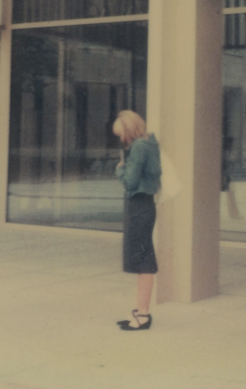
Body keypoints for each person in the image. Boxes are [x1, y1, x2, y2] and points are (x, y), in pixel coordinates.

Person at [112, 110, 161, 331]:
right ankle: (139, 310)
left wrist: (120, 170)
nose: (121, 138)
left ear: (128, 129)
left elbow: (130, 182)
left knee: (143, 261)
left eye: (121, 133)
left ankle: (143, 314)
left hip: (139, 206)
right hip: (143, 206)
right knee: (142, 260)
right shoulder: (148, 143)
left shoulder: (140, 147)